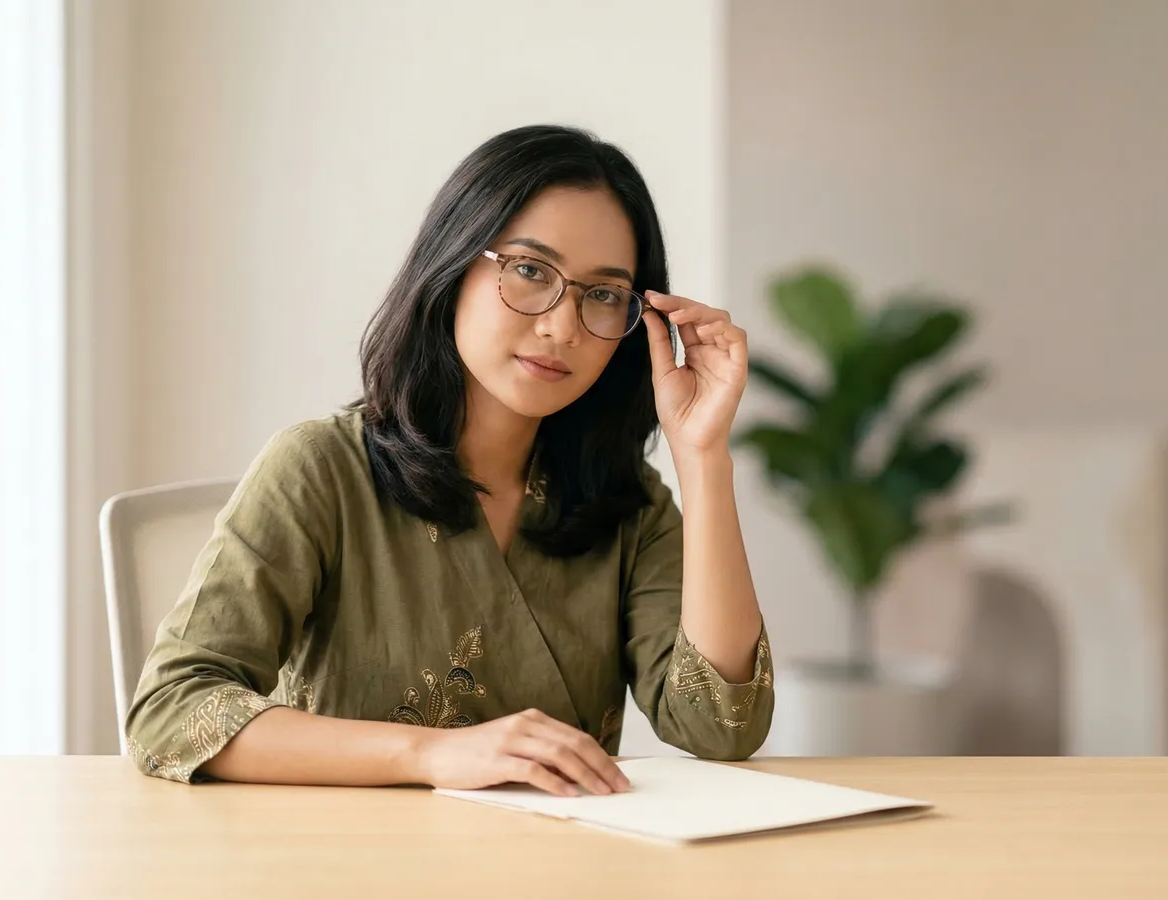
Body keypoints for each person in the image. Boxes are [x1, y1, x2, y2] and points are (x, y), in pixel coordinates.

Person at [124, 125, 771, 796]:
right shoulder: (320, 469)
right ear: (455, 262)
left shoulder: (627, 500)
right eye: (529, 270)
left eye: (603, 294)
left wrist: (703, 457)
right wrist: (431, 756)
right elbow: (173, 710)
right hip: (344, 864)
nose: (562, 326)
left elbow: (724, 723)